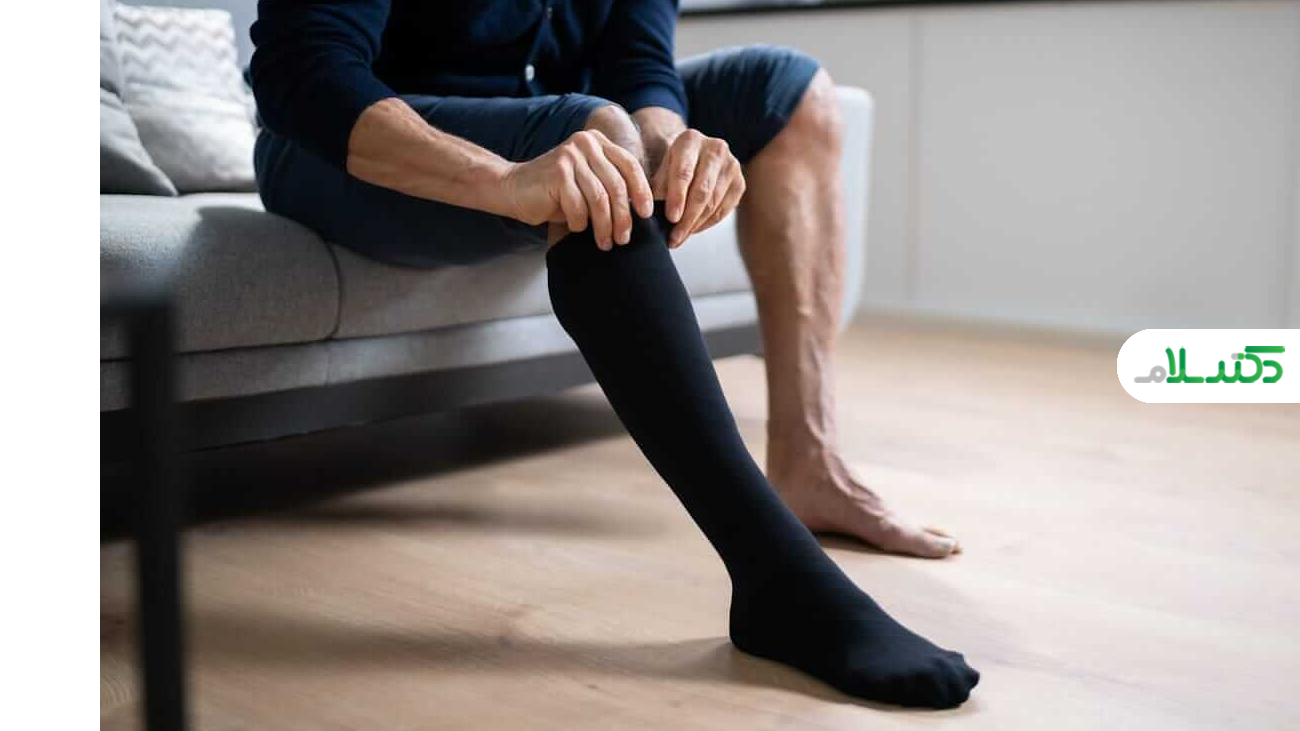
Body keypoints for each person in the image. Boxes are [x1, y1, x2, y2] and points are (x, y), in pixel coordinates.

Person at [249, 0, 978, 708]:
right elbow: (303, 71)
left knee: (789, 90)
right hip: (342, 149)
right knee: (593, 137)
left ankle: (808, 462)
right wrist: (507, 180)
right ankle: (776, 576)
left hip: (542, 112)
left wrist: (673, 145)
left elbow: (638, 66)